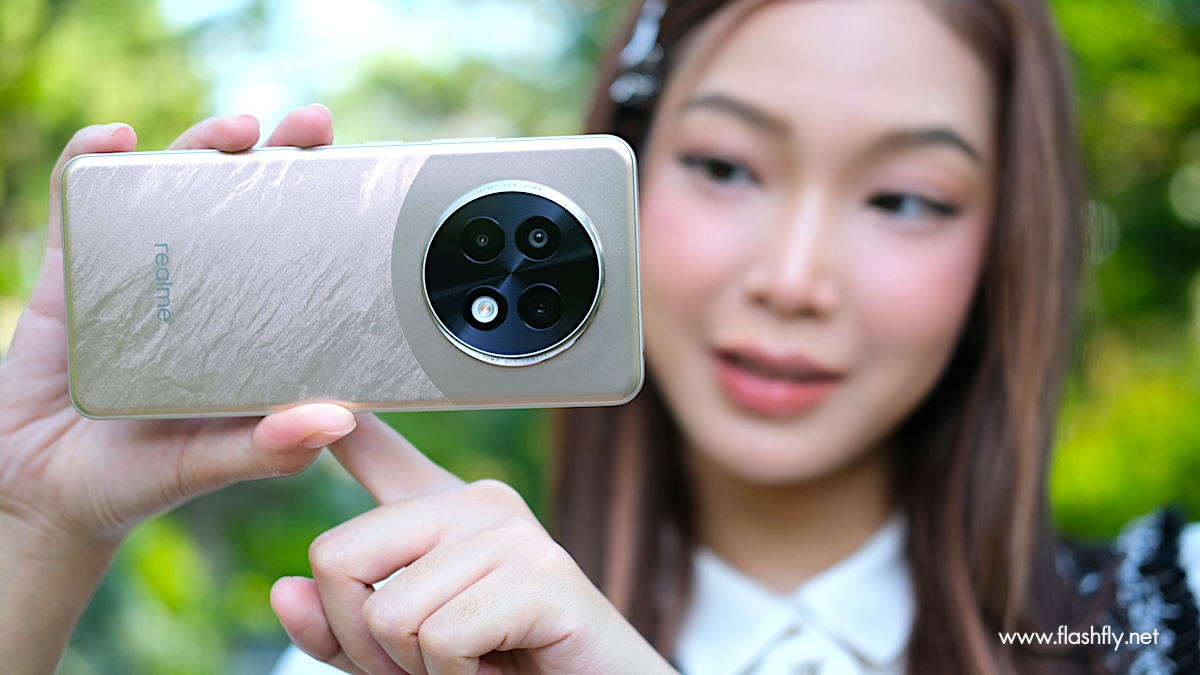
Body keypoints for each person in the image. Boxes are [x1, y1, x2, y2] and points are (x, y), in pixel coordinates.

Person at [2, 1, 1197, 675]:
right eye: (725, 167)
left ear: (1005, 244)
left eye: (905, 198)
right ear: (624, 166)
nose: (793, 280)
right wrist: (28, 531)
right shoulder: (407, 637)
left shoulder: (1164, 617)